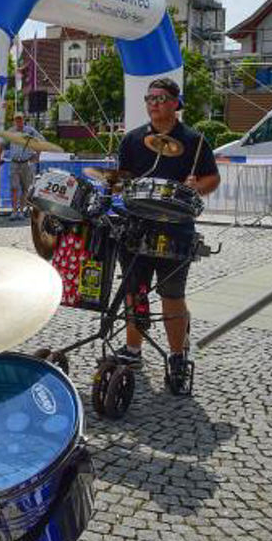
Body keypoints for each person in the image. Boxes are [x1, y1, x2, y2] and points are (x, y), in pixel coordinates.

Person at [114, 77, 220, 375]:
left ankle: (177, 356)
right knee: (135, 291)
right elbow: (125, 177)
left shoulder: (194, 140)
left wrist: (197, 185)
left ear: (176, 103)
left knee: (172, 295)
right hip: (137, 225)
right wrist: (114, 182)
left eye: (160, 99)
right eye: (149, 99)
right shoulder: (132, 140)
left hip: (176, 227)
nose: (153, 104)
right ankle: (133, 350)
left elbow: (213, 178)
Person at [0, 112, 42, 219]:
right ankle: (14, 211)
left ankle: (21, 211)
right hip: (14, 163)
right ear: (14, 121)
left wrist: (37, 155)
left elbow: (40, 142)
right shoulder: (11, 132)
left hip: (26, 163)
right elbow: (1, 145)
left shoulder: (30, 131)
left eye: (20, 119)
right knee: (14, 188)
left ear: (23, 120)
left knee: (25, 188)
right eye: (16, 120)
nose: (18, 121)